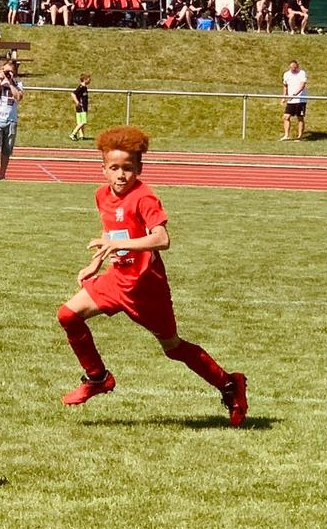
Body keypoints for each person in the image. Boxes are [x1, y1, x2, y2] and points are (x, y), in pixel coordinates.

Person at [56, 124, 248, 426]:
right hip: (117, 279)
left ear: (139, 169)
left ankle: (229, 384)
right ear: (103, 169)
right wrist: (96, 262)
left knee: (173, 347)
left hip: (147, 289)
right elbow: (111, 231)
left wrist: (118, 245)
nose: (121, 175)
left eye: (128, 168)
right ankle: (97, 378)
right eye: (114, 168)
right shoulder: (101, 195)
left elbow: (162, 239)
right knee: (68, 315)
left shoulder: (144, 197)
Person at [0, 60, 23, 180]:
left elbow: (18, 97)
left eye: (10, 71)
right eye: (6, 71)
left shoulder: (18, 84)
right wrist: (0, 79)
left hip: (11, 119)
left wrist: (10, 82)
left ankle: (2, 175)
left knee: (7, 149)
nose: (8, 73)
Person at [280, 60, 308, 141]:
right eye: (292, 67)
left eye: (295, 67)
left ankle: (300, 136)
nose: (294, 69)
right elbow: (285, 86)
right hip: (290, 100)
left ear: (297, 66)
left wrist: (294, 95)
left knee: (300, 117)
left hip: (300, 100)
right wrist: (284, 97)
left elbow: (302, 85)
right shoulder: (286, 74)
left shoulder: (302, 73)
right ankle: (286, 135)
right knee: (286, 117)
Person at [69, 73, 91, 141]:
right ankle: (73, 134)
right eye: (89, 79)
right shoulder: (81, 87)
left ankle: (81, 135)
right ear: (85, 79)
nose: (90, 80)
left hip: (82, 106)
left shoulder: (85, 87)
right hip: (81, 106)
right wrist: (77, 102)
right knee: (83, 121)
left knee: (80, 122)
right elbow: (73, 94)